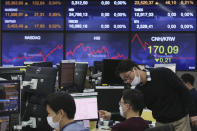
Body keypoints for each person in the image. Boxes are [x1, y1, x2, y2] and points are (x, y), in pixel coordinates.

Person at [100, 59, 194, 131]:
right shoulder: (139, 90)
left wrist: (193, 113)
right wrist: (111, 115)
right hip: (161, 124)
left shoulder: (163, 73)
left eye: (128, 77)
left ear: (135, 69)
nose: (128, 81)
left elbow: (184, 92)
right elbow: (134, 112)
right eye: (125, 80)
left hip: (180, 121)